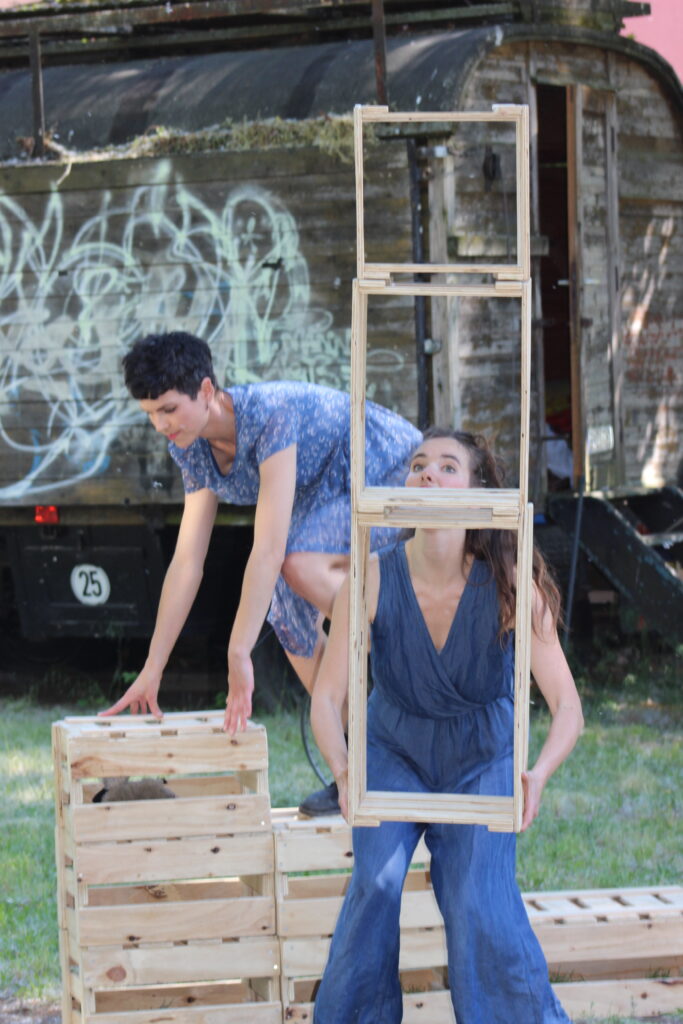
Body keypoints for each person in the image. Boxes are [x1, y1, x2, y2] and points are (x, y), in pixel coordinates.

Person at [311, 427, 584, 1023]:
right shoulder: (370, 577)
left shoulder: (513, 582)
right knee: (375, 887)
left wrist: (537, 772)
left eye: (447, 466)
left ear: (477, 491)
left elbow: (568, 706)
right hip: (394, 751)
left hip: (483, 755)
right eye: (417, 465)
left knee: (477, 900)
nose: (428, 474)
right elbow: (327, 700)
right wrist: (342, 771)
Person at [101, 331, 421, 815]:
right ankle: (363, 758)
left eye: (168, 409)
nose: (160, 425)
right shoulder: (191, 448)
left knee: (296, 560)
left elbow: (268, 549)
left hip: (388, 470)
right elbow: (188, 561)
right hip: (324, 496)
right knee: (287, 619)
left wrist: (238, 652)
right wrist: (153, 668)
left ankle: (400, 642)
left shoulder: (268, 414)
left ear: (206, 391)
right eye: (150, 413)